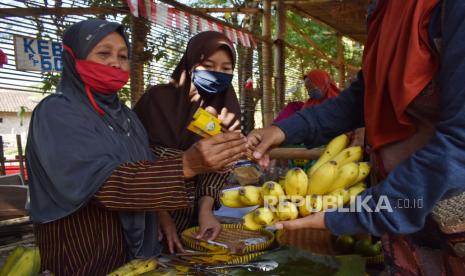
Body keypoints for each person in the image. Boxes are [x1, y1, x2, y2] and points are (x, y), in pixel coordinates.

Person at [248, 0, 465, 273]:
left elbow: (461, 145)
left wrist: (354, 213)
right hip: (403, 217)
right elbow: (365, 93)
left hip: (445, 212)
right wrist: (287, 129)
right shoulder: (385, 11)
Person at [26, 20, 247, 275]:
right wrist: (185, 164)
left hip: (133, 248)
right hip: (82, 248)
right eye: (103, 53)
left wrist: (161, 215)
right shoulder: (57, 112)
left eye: (122, 56)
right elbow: (105, 185)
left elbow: (143, 165)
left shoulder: (125, 117)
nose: (115, 63)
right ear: (73, 57)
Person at [133, 31, 241, 254]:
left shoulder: (227, 109)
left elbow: (219, 168)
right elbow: (137, 158)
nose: (217, 74)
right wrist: (160, 214)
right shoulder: (156, 100)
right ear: (191, 62)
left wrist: (206, 209)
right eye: (208, 65)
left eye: (226, 69)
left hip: (193, 219)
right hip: (146, 211)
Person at [273, 69, 339, 123]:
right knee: (293, 106)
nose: (309, 91)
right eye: (307, 88)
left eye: (312, 87)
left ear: (322, 83)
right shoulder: (311, 102)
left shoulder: (337, 103)